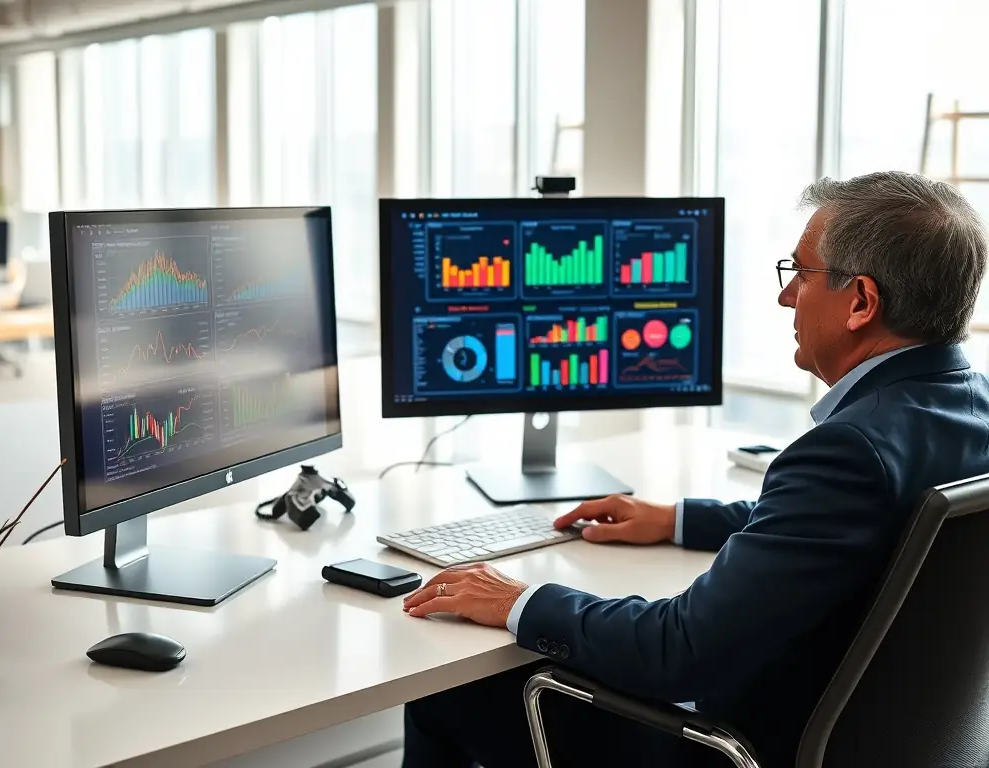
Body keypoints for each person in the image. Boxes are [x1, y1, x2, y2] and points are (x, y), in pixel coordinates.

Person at [398, 171, 989, 768]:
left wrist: (520, 600)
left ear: (860, 301)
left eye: (800, 274)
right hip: (891, 741)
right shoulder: (968, 408)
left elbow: (676, 650)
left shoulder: (849, 449)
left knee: (447, 692)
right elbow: (853, 525)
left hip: (738, 749)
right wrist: (677, 519)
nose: (786, 297)